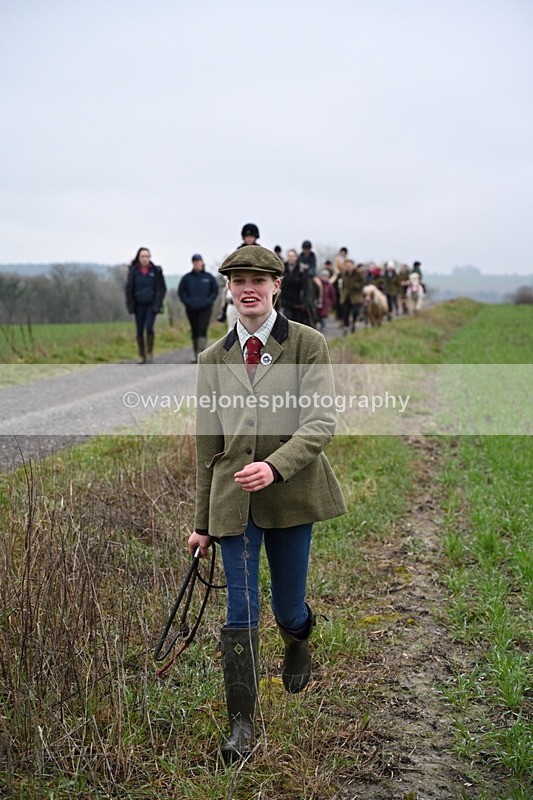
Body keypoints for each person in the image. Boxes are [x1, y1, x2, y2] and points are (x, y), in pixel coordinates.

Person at [188, 245, 346, 764]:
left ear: (277, 286)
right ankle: (241, 723)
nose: (247, 288)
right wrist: (201, 523)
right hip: (233, 503)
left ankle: (298, 636)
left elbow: (321, 422)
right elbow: (206, 446)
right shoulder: (213, 359)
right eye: (238, 281)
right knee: (240, 608)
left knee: (286, 607)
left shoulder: (307, 344)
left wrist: (276, 466)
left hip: (292, 496)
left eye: (258, 279)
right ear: (229, 290)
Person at [125, 247, 166, 363]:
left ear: (150, 257)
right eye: (142, 256)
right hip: (138, 305)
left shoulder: (156, 271)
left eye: (147, 256)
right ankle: (141, 355)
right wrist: (130, 304)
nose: (144, 259)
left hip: (151, 305)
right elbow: (129, 289)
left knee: (149, 327)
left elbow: (161, 289)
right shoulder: (133, 271)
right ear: (138, 258)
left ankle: (149, 353)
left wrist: (158, 304)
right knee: (139, 330)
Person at [178, 254, 220, 362]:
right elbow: (182, 292)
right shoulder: (187, 278)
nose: (196, 263)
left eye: (198, 261)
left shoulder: (208, 277)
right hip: (191, 308)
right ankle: (195, 353)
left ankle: (201, 354)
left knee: (202, 329)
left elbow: (214, 291)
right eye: (194, 262)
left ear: (202, 262)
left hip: (205, 308)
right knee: (194, 330)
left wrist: (208, 301)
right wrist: (188, 302)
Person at [280, 249, 323, 326]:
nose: (291, 258)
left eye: (292, 256)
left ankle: (319, 299)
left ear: (296, 257)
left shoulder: (302, 269)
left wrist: (306, 301)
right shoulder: (283, 269)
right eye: (289, 256)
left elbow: (306, 287)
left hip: (299, 303)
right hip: (287, 302)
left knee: (319, 285)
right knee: (287, 324)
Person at [339, 260, 365, 334]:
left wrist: (356, 286)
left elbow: (362, 283)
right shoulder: (343, 274)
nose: (348, 268)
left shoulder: (358, 274)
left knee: (355, 311)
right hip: (346, 296)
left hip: (355, 296)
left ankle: (353, 323)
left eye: (349, 266)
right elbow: (343, 284)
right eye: (346, 266)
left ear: (353, 266)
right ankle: (346, 327)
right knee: (345, 312)